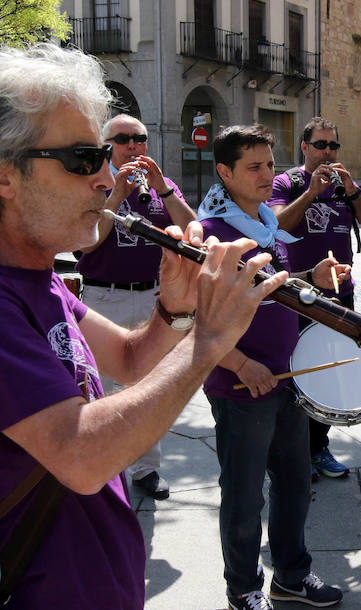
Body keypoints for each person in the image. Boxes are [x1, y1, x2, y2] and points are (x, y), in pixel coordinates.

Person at [0, 43, 287, 609]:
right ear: (6, 176)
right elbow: (81, 456)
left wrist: (174, 312)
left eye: (106, 157)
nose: (107, 178)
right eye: (85, 158)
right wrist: (209, 342)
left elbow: (130, 360)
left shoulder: (38, 278)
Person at [199, 124, 348, 609]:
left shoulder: (266, 224)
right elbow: (195, 323)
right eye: (254, 167)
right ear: (225, 172)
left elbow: (270, 287)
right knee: (243, 497)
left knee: (294, 485)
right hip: (242, 386)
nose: (268, 174)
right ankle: (242, 588)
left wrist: (311, 277)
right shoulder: (212, 237)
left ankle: (291, 575)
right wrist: (242, 365)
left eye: (269, 163)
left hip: (288, 379)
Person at [74, 113, 196, 501]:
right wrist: (116, 197)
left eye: (139, 138)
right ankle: (103, 472)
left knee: (148, 387)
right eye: (123, 138)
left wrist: (162, 190)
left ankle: (146, 468)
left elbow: (194, 231)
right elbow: (87, 244)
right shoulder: (92, 181)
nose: (133, 145)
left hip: (152, 296)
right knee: (101, 388)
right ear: (106, 146)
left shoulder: (161, 185)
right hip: (104, 297)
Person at [268, 117, 361, 480]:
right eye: (321, 145)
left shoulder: (344, 187)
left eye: (333, 146)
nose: (328, 153)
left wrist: (352, 192)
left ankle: (318, 448)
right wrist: (309, 193)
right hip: (298, 295)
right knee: (297, 374)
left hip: (339, 297)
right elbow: (275, 225)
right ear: (305, 147)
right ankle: (292, 452)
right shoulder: (286, 183)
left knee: (329, 373)